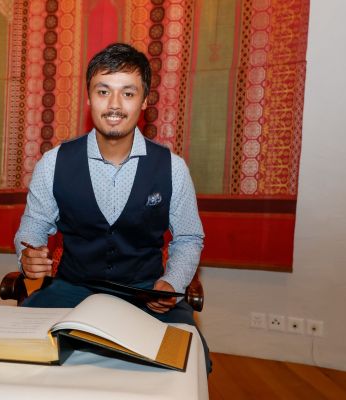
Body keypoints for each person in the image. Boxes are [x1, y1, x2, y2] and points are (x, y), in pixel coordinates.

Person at [14, 43, 210, 372]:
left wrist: (172, 283)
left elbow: (189, 238)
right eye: (103, 91)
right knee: (18, 352)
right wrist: (26, 255)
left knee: (188, 360)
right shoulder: (53, 163)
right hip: (70, 290)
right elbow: (31, 229)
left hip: (145, 295)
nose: (115, 104)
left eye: (128, 93)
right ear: (89, 98)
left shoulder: (172, 168)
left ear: (144, 101)